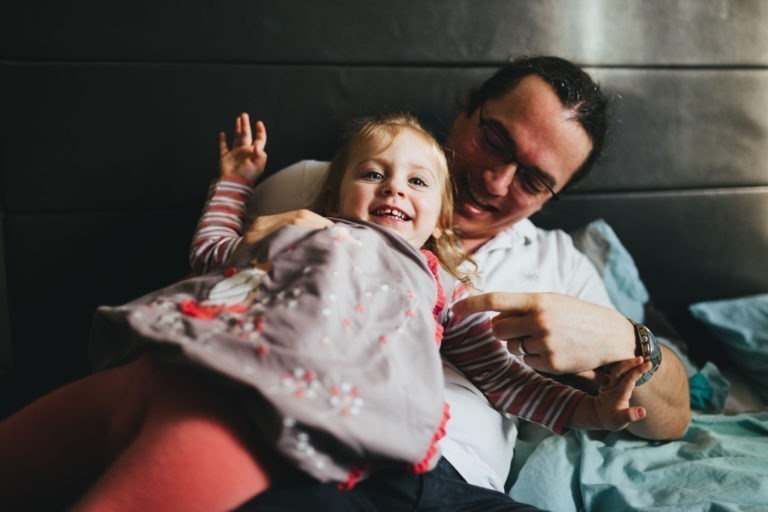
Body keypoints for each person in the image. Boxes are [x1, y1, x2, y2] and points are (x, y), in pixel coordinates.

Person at [0, 112, 648, 511]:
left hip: (288, 417)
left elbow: (506, 382)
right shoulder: (301, 226)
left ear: (439, 219)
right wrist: (235, 185)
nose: (394, 186)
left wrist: (588, 409)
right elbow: (213, 254)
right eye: (373, 173)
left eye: (417, 181)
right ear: (340, 188)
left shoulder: (439, 286)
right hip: (188, 361)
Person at [229, 55, 691, 510]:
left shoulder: (560, 266)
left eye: (532, 181)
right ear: (467, 108)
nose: (496, 181)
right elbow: (203, 308)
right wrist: (248, 253)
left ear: (552, 198)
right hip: (315, 437)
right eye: (494, 141)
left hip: (457, 475)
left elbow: (671, 418)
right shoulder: (318, 184)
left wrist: (621, 337)